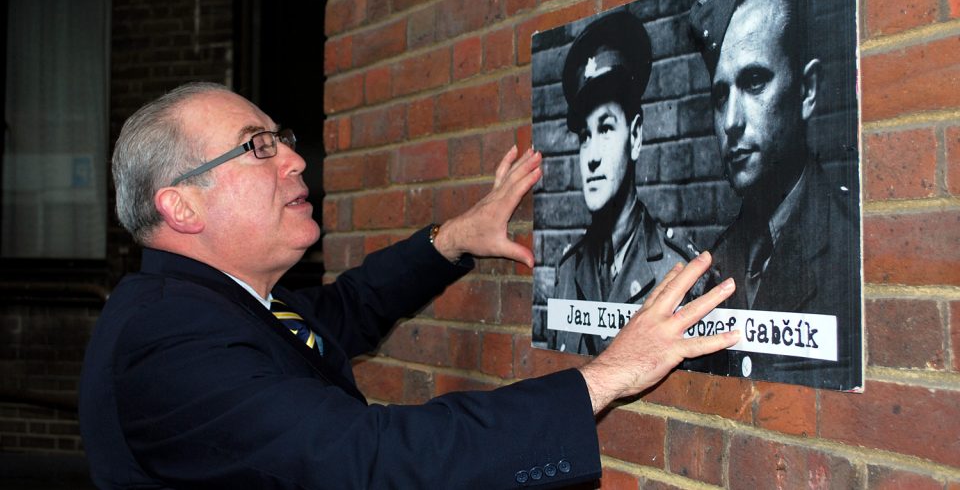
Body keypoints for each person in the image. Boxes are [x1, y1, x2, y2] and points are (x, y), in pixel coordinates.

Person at [79, 82, 739, 488]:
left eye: (281, 138)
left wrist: (451, 240)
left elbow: (343, 311)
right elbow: (366, 460)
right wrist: (605, 377)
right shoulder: (168, 340)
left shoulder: (218, 304)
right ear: (181, 208)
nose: (294, 159)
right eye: (257, 148)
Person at [685, 0, 861, 389]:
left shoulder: (853, 249)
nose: (731, 122)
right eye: (720, 94)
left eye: (755, 82)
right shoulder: (715, 263)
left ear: (806, 92)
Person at [550, 11, 699, 356]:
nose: (592, 156)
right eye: (585, 136)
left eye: (605, 129)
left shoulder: (675, 271)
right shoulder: (568, 270)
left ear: (634, 137)